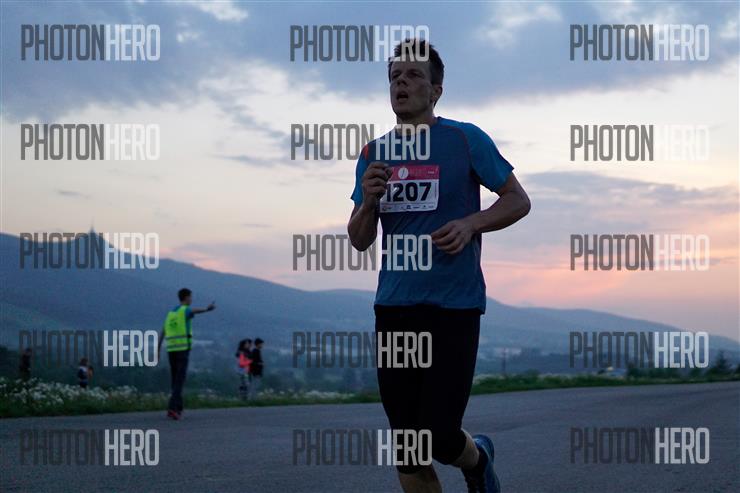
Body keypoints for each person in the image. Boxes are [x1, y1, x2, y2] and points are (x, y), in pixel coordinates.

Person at [347, 39, 531, 493]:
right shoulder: (373, 153)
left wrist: (471, 223)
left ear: (436, 91)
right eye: (395, 77)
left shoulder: (465, 140)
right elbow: (359, 238)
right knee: (409, 445)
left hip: (454, 306)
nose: (401, 83)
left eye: (413, 75)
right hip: (395, 308)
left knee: (439, 434)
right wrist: (368, 202)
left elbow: (517, 200)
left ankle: (477, 458)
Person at [157, 288, 216, 420]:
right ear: (186, 297)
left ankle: (179, 407)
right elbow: (194, 311)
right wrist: (207, 309)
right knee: (180, 380)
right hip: (182, 350)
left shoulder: (171, 313)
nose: (192, 299)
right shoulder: (185, 310)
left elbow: (163, 331)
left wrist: (158, 350)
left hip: (171, 350)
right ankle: (172, 408)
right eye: (191, 297)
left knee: (175, 380)